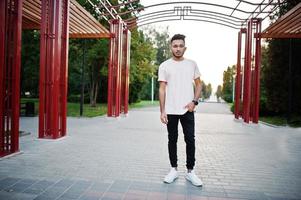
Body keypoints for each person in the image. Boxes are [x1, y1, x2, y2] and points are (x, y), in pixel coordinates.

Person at [158, 34, 203, 187]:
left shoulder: (192, 64)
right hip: (170, 109)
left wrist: (194, 102)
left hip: (188, 110)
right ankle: (173, 170)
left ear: (185, 47)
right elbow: (162, 89)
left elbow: (198, 85)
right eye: (175, 46)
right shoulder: (164, 65)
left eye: (180, 46)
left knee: (190, 139)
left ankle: (190, 172)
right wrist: (162, 111)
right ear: (171, 47)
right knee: (172, 139)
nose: (177, 48)